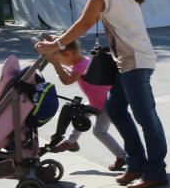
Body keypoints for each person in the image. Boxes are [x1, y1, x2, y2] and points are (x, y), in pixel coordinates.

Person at [34, 0, 168, 188]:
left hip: (135, 58)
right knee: (116, 109)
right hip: (124, 59)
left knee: (145, 116)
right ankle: (136, 163)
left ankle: (156, 171)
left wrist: (56, 44)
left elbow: (86, 21)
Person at [45, 39, 126, 171]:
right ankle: (71, 142)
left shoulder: (83, 65)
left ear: (68, 54)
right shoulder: (82, 62)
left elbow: (67, 80)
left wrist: (55, 64)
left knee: (99, 132)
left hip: (107, 104)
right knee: (79, 113)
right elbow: (70, 72)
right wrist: (53, 43)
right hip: (97, 101)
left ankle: (122, 156)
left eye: (61, 59)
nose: (61, 62)